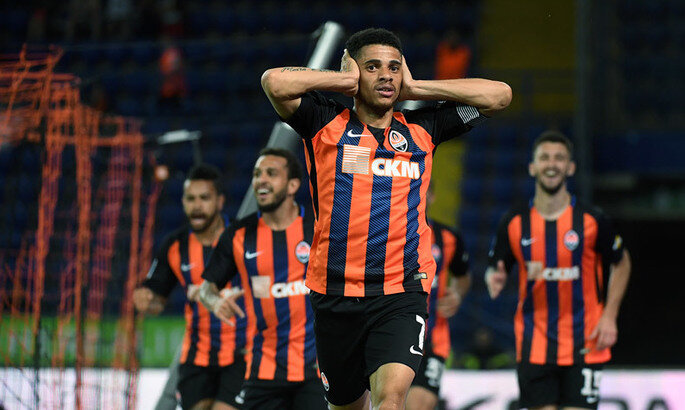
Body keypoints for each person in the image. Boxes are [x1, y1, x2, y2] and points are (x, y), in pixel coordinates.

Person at [261, 27, 511, 409]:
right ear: (354, 72)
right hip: (335, 294)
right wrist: (343, 80)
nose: (386, 76)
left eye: (394, 67)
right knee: (345, 406)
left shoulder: (425, 128)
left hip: (400, 292)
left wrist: (417, 88)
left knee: (390, 400)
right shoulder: (323, 121)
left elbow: (500, 96)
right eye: (373, 67)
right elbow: (274, 82)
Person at [486, 130, 631, 410]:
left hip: (586, 341)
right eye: (544, 158)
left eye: (559, 158)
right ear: (532, 167)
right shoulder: (514, 222)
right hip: (534, 343)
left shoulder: (592, 220)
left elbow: (622, 261)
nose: (551, 164)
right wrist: (493, 278)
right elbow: (495, 267)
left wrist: (610, 316)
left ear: (570, 167)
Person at [198, 148, 326, 410]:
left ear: (293, 185)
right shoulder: (238, 235)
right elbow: (205, 289)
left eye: (271, 173)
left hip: (317, 370)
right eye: (257, 174)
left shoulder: (319, 228)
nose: (261, 180)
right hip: (262, 371)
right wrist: (214, 301)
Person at [133, 164, 248, 410]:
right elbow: (157, 300)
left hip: (242, 354)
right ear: (183, 202)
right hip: (196, 357)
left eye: (204, 198)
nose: (197, 206)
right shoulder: (175, 245)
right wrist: (146, 300)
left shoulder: (243, 236)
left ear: (219, 201)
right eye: (190, 198)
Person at [406, 216, 471, 410]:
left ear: (432, 199)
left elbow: (463, 275)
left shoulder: (448, 236)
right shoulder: (385, 231)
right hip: (392, 336)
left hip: (434, 339)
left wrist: (457, 294)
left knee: (420, 405)